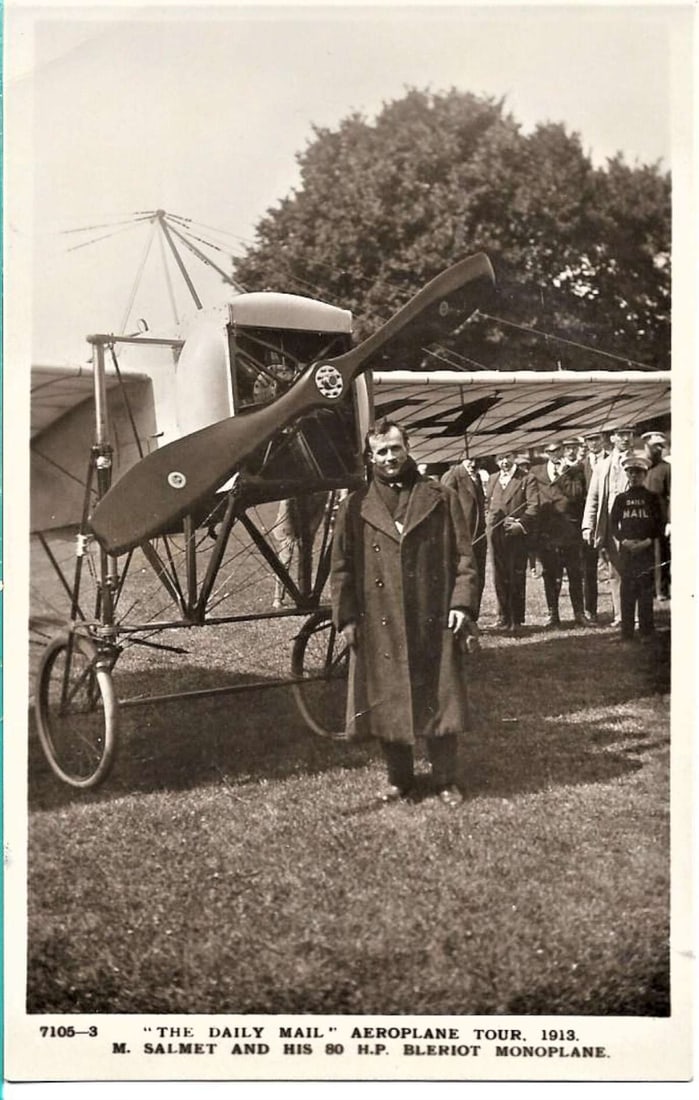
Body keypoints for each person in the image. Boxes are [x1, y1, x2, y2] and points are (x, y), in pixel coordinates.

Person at [330, 419, 479, 806]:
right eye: (381, 451)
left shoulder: (440, 496)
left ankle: (446, 780)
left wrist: (461, 604)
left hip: (433, 617)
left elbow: (465, 556)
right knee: (388, 700)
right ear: (370, 456)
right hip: (380, 622)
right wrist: (346, 618)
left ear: (408, 448)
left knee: (439, 699)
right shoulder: (354, 505)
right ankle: (399, 779)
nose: (390, 457)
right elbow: (341, 567)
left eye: (396, 448)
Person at [581, 423, 636, 625]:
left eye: (628, 434)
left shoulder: (638, 461)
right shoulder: (603, 466)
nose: (625, 438)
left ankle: (636, 615)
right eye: (621, 434)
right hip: (612, 526)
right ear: (612, 438)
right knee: (615, 571)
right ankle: (621, 615)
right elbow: (593, 498)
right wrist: (588, 525)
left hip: (635, 524)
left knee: (635, 570)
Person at [529, 442, 587, 627]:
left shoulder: (575, 471)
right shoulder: (536, 471)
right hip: (547, 531)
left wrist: (564, 474)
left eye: (558, 450)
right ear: (546, 452)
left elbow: (576, 494)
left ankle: (579, 613)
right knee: (551, 574)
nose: (555, 454)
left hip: (569, 531)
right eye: (551, 451)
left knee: (575, 573)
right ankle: (553, 615)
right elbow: (531, 496)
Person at [609, 453, 664, 641]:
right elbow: (612, 525)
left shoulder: (652, 498)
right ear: (626, 475)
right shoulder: (621, 499)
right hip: (627, 551)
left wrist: (646, 542)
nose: (634, 476)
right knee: (627, 590)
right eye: (631, 473)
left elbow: (660, 524)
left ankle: (647, 631)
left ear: (645, 475)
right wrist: (624, 541)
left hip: (646, 549)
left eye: (638, 473)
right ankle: (626, 632)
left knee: (645, 590)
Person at [485, 449, 538, 634]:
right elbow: (487, 504)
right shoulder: (493, 479)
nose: (504, 462)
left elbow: (533, 506)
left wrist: (520, 524)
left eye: (507, 457)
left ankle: (516, 619)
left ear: (514, 457)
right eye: (500, 458)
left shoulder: (526, 478)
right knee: (499, 576)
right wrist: (490, 522)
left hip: (516, 534)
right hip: (496, 533)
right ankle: (503, 617)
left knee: (515, 575)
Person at [441, 452, 487, 617]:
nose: (474, 464)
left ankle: (473, 616)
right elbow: (444, 507)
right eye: (471, 459)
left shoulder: (478, 478)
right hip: (461, 537)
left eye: (478, 459)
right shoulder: (452, 475)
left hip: (479, 536)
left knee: (478, 577)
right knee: (463, 578)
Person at [271, 493, 328, 608]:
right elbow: (286, 506)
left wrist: (311, 530)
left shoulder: (324, 493)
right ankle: (277, 597)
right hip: (288, 523)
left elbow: (320, 511)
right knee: (285, 557)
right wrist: (289, 533)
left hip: (307, 524)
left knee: (306, 557)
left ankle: (305, 593)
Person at [579, 428, 609, 622]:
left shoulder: (613, 460)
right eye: (590, 440)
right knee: (589, 568)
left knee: (616, 567)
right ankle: (591, 609)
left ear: (603, 439)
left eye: (597, 439)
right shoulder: (581, 465)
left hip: (609, 518)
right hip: (589, 521)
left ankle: (622, 611)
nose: (594, 443)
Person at [641, 431, 671, 600]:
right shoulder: (640, 467)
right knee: (643, 554)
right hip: (641, 518)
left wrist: (670, 521)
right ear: (646, 445)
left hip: (660, 519)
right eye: (654, 446)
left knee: (660, 555)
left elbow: (672, 495)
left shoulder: (666, 468)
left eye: (661, 446)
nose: (658, 449)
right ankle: (648, 588)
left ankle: (661, 590)